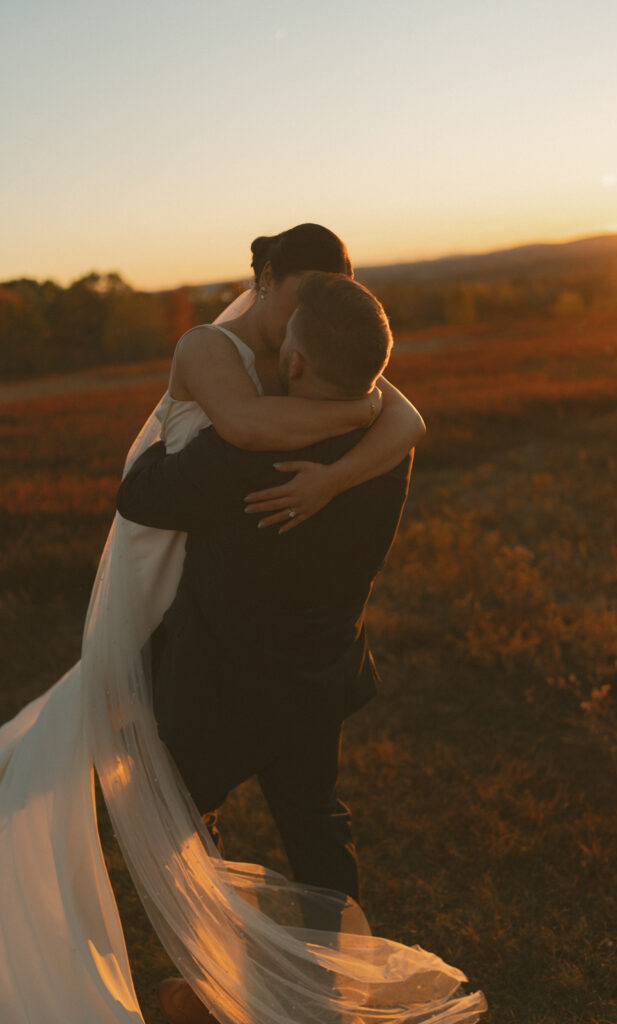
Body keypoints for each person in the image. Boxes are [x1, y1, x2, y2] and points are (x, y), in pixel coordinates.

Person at [0, 225, 485, 1024]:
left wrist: (164, 443)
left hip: (220, 680)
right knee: (317, 824)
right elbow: (402, 418)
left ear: (295, 359)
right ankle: (330, 986)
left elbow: (144, 494)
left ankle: (215, 982)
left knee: (185, 823)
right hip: (319, 673)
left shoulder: (243, 450)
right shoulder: (382, 443)